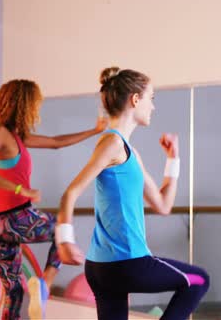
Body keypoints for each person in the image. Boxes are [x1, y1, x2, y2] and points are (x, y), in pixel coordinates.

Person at [57, 67, 209, 320]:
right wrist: (65, 240)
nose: (153, 106)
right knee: (199, 280)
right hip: (127, 263)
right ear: (135, 99)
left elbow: (162, 205)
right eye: (151, 98)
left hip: (103, 269)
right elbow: (71, 192)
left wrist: (173, 159)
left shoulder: (128, 151)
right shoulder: (112, 143)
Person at [0, 79, 107, 319]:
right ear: (23, 104)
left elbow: (56, 143)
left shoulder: (16, 137)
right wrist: (20, 189)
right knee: (60, 229)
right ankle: (44, 285)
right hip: (13, 217)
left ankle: (38, 292)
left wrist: (94, 131)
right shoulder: (0, 133)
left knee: (14, 293)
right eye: (35, 104)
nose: (37, 109)